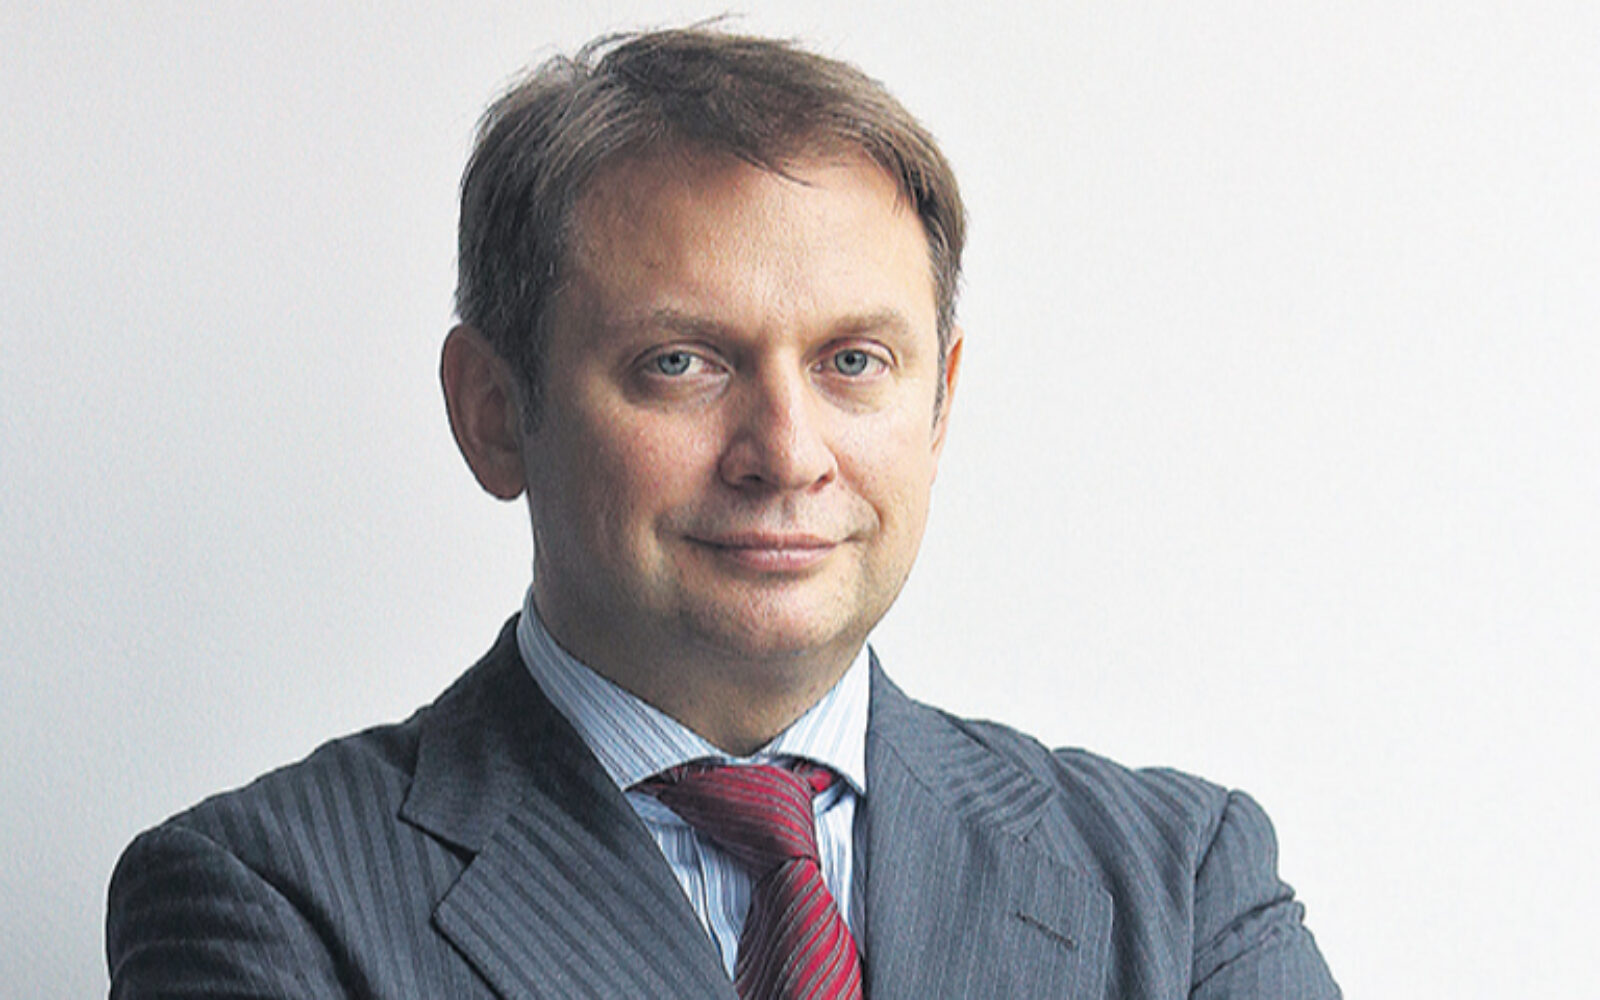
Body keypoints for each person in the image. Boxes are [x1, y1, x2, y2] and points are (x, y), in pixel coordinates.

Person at [106, 27, 1340, 999]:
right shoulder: (266, 898)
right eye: (681, 363)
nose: (786, 453)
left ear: (940, 406)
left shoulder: (1182, 883)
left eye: (853, 361)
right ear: (493, 412)